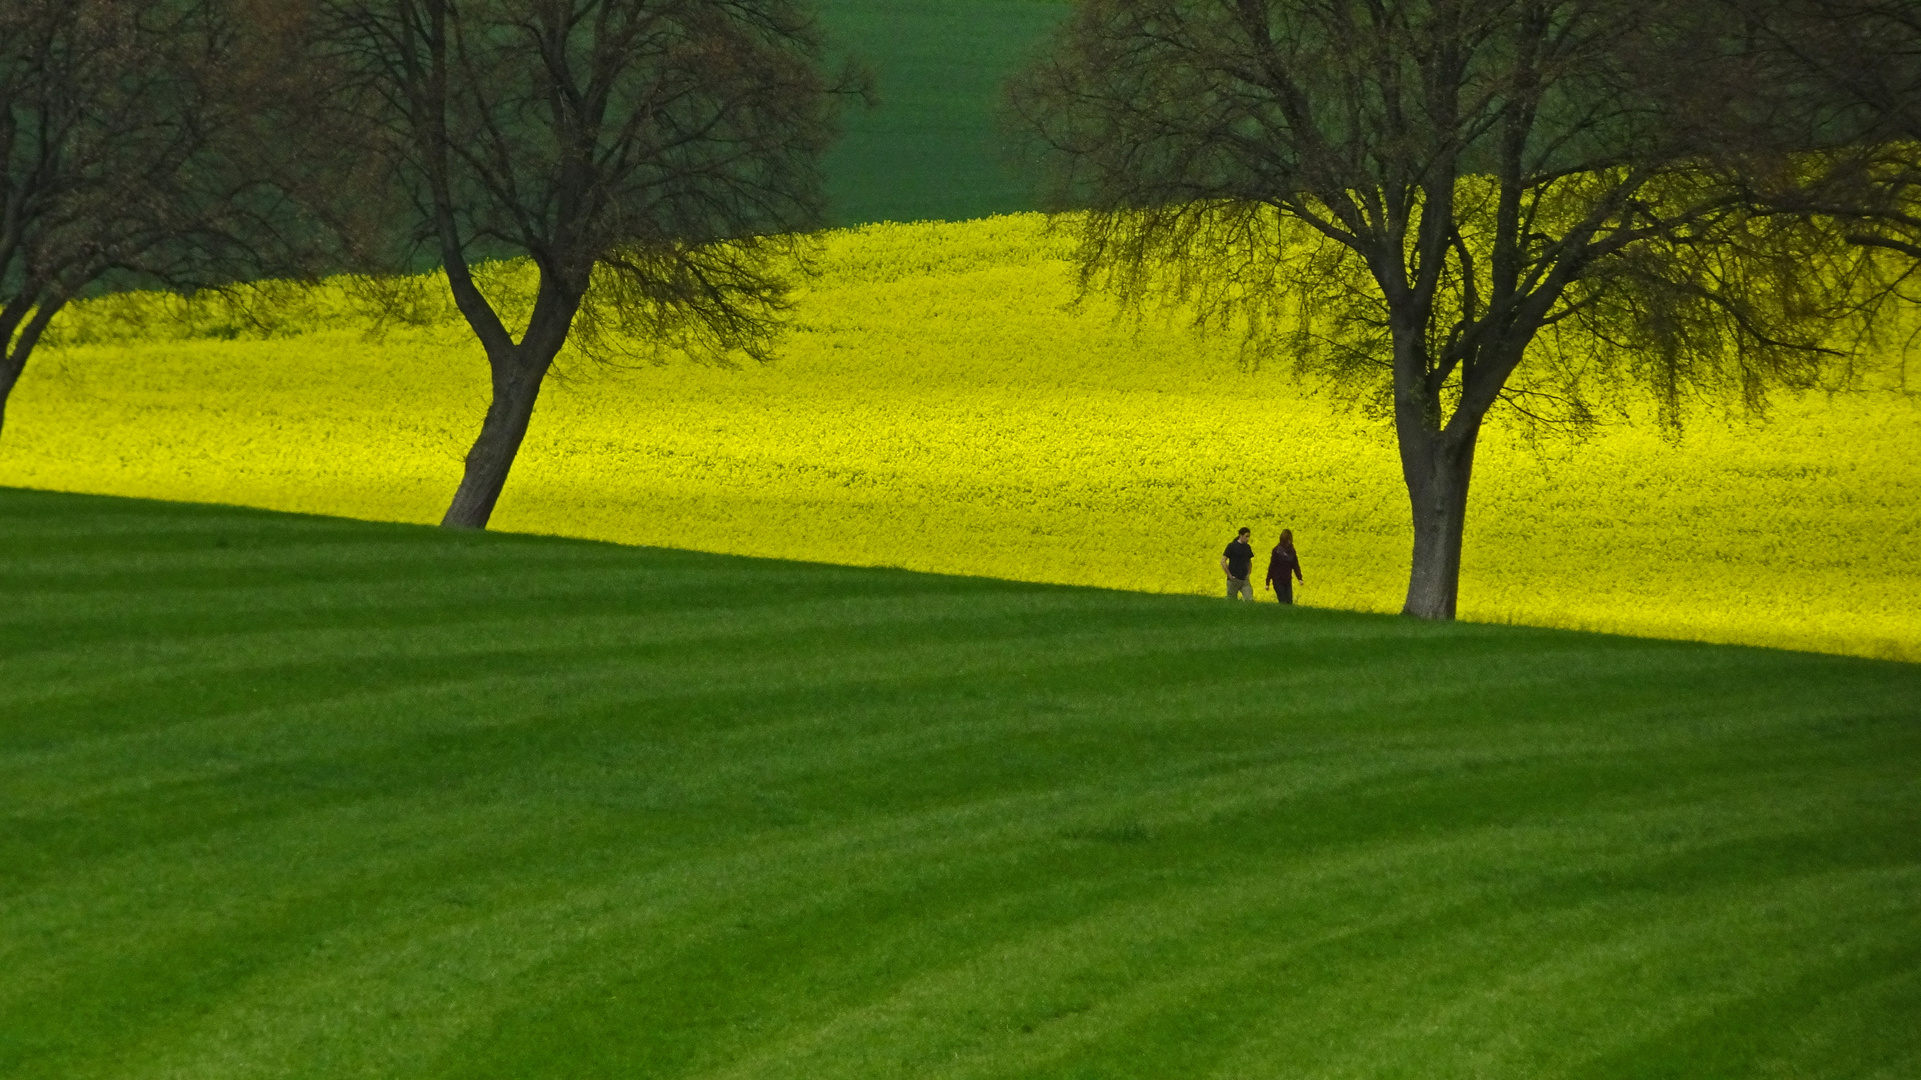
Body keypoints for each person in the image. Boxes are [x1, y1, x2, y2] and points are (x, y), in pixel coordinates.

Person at [1265, 529, 1304, 604]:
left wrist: (1299, 578)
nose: (1290, 542)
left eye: (1290, 540)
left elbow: (1295, 565)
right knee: (1283, 601)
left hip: (1287, 580)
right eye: (1288, 540)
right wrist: (1267, 582)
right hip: (1277, 580)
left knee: (1289, 602)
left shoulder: (1292, 551)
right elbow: (1272, 566)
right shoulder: (1276, 551)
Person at [1221, 527, 1255, 600]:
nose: (1248, 539)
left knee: (1249, 600)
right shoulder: (1232, 546)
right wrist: (1229, 575)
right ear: (1241, 535)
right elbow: (1223, 561)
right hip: (1234, 579)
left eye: (1249, 536)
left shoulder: (1247, 547)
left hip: (1244, 580)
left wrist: (1248, 574)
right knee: (1231, 601)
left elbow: (1249, 562)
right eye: (1246, 536)